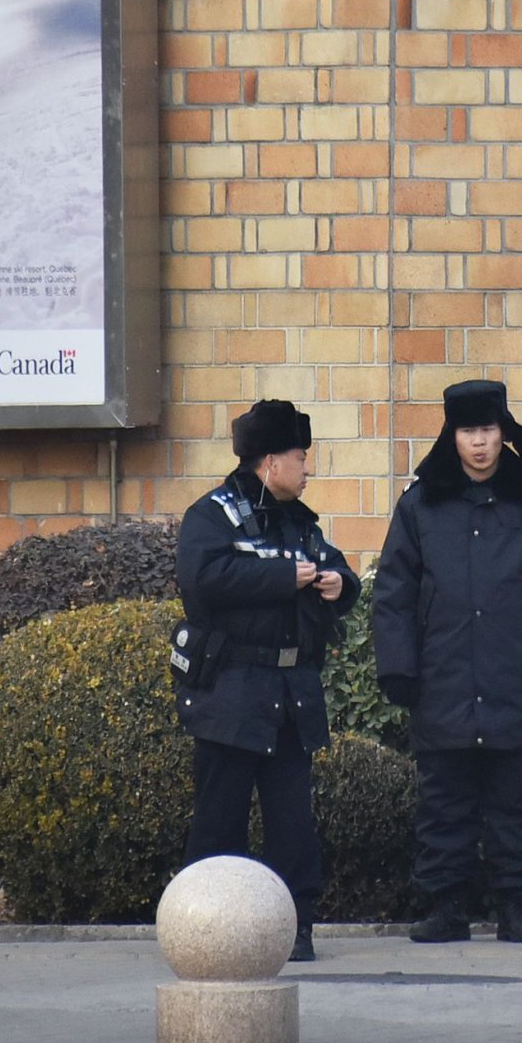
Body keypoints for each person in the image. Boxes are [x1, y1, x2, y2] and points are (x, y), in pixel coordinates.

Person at [372, 378, 522, 944]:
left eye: (488, 430)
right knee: (443, 799)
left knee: (518, 799)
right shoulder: (420, 504)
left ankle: (518, 906)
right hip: (442, 680)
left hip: (518, 679)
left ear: (503, 433)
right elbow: (394, 591)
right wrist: (399, 667)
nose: (479, 443)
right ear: (453, 434)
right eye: (468, 430)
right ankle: (446, 906)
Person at [172, 398, 359, 963]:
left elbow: (340, 568)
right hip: (232, 691)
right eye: (302, 458)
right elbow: (202, 580)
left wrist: (337, 584)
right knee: (219, 819)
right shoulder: (212, 515)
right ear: (272, 462)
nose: (309, 470)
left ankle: (297, 926)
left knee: (292, 823)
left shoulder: (301, 522)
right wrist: (284, 576)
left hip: (291, 693)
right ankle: (202, 925)